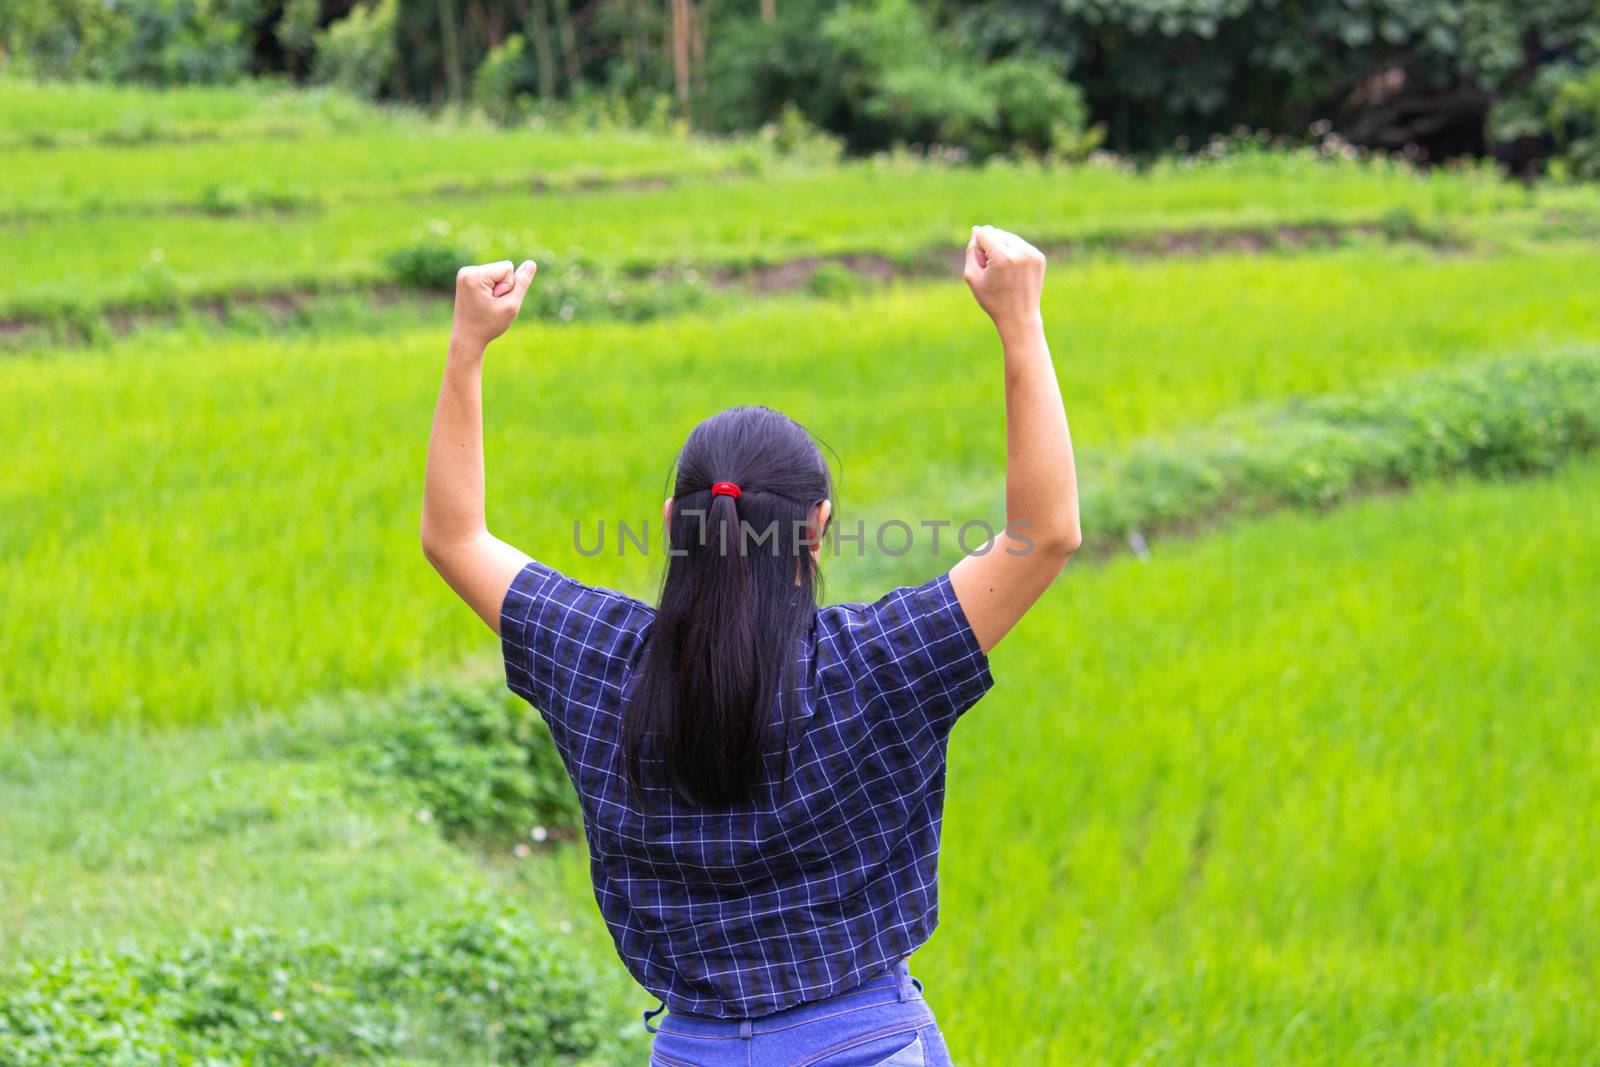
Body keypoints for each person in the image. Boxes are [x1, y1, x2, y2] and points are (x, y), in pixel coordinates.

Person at [421, 225, 1080, 1066]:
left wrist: (469, 343)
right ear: (817, 530)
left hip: (693, 1051)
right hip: (867, 1043)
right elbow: (1045, 534)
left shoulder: (598, 658)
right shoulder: (877, 661)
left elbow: (454, 536)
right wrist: (1019, 320)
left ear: (672, 527)